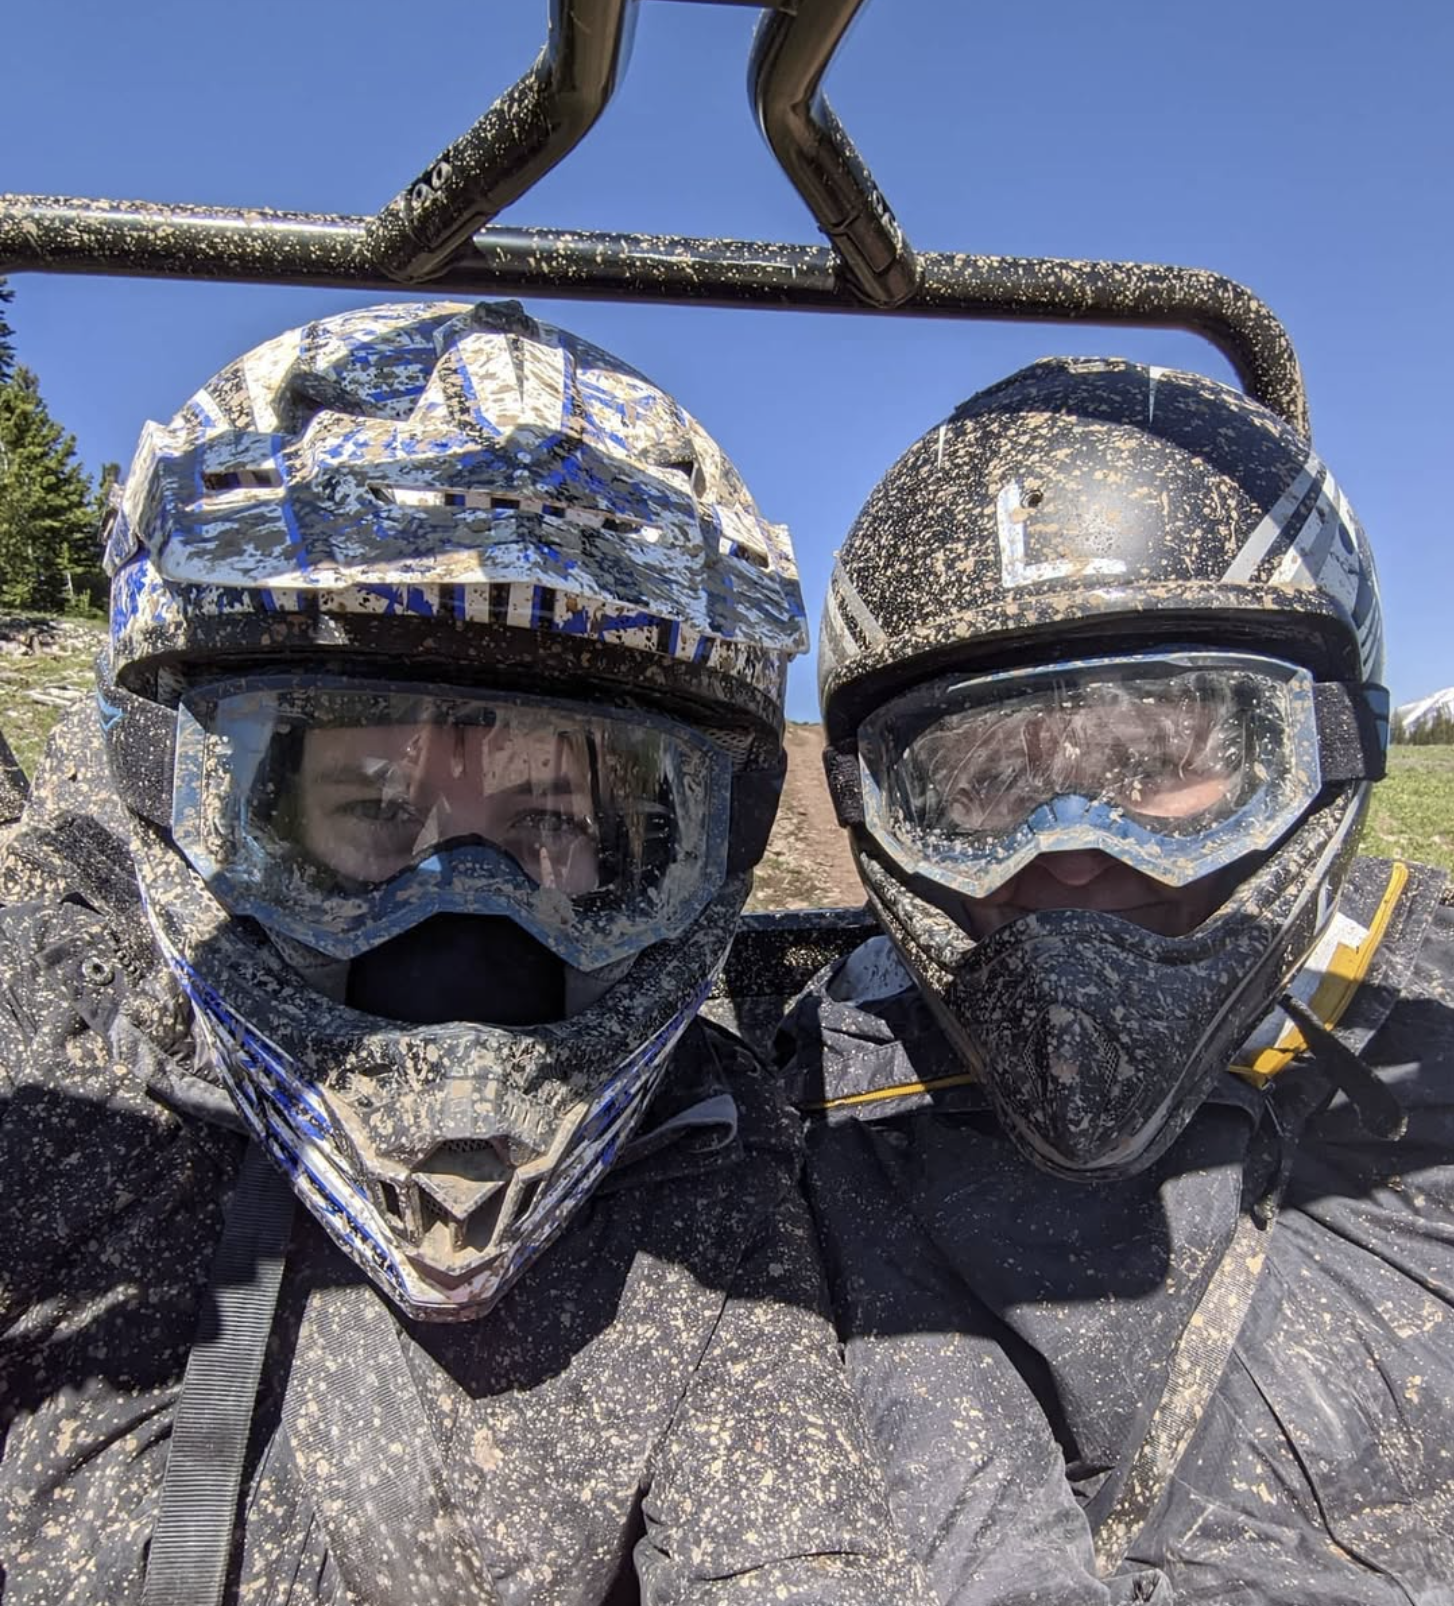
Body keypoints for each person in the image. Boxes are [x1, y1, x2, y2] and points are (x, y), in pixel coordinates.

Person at [0, 300, 933, 1605]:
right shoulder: (61, 1083)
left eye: (548, 819)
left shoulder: (704, 1159)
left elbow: (800, 1555)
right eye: (375, 809)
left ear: (670, 851)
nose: (462, 902)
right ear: (210, 803)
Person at [780, 355, 1454, 1604]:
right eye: (986, 786)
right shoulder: (846, 1089)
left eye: (1160, 761)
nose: (1079, 858)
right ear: (881, 810)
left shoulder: (1430, 1016)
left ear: (1318, 749)